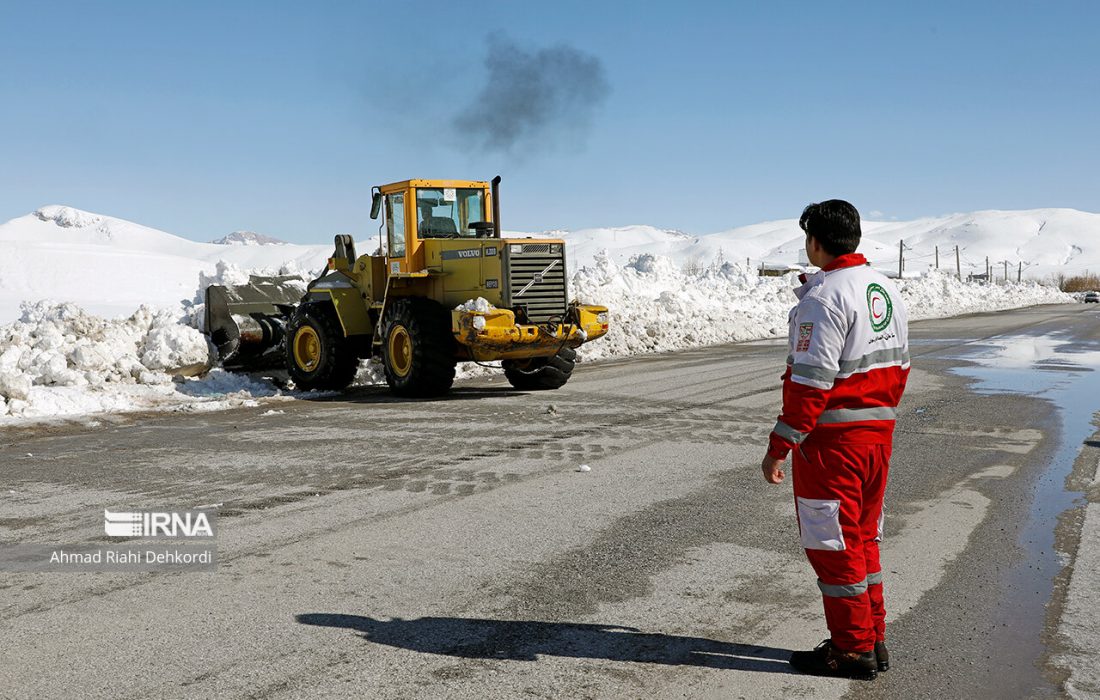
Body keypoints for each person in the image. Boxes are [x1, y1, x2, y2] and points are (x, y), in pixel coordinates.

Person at [760, 200, 909, 680]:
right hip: (876, 440)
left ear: (815, 242)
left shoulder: (822, 299)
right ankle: (873, 638)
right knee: (862, 540)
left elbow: (809, 384)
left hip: (834, 448)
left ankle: (850, 651)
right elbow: (901, 366)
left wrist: (779, 445)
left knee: (833, 547)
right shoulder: (883, 288)